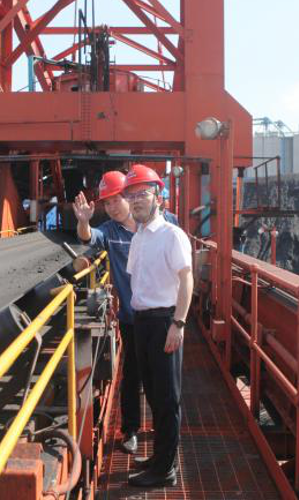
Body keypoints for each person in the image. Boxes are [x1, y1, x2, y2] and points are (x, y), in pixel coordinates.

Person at [72, 170, 179, 456]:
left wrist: (180, 320)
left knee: (164, 382)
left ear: (130, 197)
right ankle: (130, 430)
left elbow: (184, 269)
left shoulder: (165, 224)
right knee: (132, 375)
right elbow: (88, 237)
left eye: (117, 199)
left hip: (165, 317)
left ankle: (163, 436)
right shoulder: (110, 231)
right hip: (133, 320)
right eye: (107, 203)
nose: (112, 207)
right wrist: (83, 221)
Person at [123, 164, 193, 488]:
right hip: (142, 322)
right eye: (131, 195)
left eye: (143, 193)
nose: (136, 200)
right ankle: (162, 457)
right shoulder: (138, 237)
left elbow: (186, 279)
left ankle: (165, 470)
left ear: (158, 197)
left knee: (167, 399)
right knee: (152, 393)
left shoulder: (171, 235)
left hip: (165, 320)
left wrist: (178, 323)